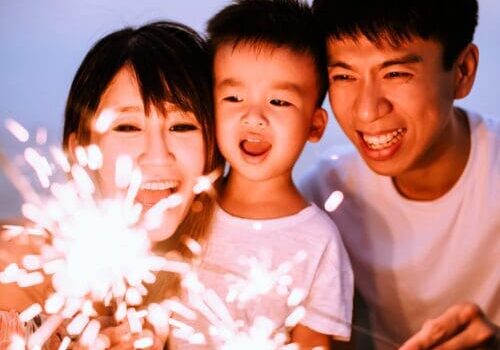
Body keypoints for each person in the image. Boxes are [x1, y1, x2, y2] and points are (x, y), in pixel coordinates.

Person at [0, 21, 223, 349]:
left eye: (182, 126)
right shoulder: (16, 270)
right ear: (79, 150)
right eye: (128, 126)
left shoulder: (221, 276)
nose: (157, 155)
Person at [300, 0, 500, 349]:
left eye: (395, 74)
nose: (366, 109)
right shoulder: (324, 194)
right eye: (344, 76)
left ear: (463, 71)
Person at [169, 1, 354, 349]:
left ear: (315, 125)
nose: (254, 117)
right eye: (234, 97)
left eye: (279, 102)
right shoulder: (182, 207)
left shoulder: (319, 242)